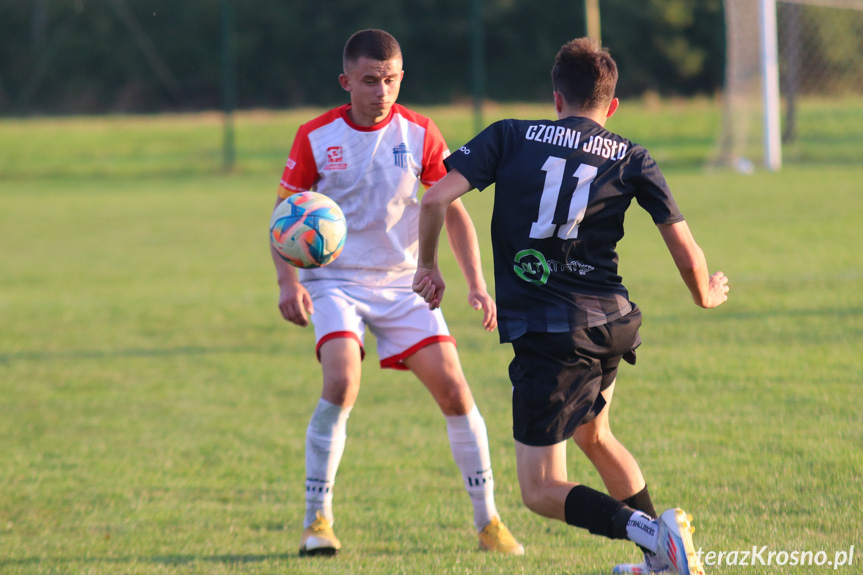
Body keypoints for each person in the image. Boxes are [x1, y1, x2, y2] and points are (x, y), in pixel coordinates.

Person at [412, 37, 729, 575]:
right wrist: (706, 294)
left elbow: (436, 197)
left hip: (551, 334)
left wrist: (428, 266)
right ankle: (663, 563)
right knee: (595, 435)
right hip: (613, 324)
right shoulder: (631, 155)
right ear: (613, 105)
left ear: (556, 99)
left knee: (539, 490)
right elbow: (686, 250)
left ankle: (656, 534)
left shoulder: (509, 135)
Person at [272, 29, 523, 557]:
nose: (381, 91)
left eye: (390, 80)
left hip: (404, 282)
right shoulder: (315, 136)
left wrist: (477, 283)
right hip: (334, 281)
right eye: (369, 80)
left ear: (400, 78)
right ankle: (317, 519)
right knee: (342, 379)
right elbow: (286, 218)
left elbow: (452, 209)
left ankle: (489, 523)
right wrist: (287, 282)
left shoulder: (422, 133)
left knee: (455, 389)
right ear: (347, 82)